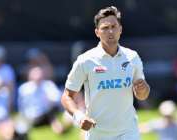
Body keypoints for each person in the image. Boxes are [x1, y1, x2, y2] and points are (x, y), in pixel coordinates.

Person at [61, 6, 150, 140]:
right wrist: (79, 117)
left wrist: (144, 89)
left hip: (129, 132)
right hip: (98, 134)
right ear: (97, 32)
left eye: (114, 26)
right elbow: (67, 96)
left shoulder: (132, 57)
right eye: (105, 28)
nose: (110, 31)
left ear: (120, 29)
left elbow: (142, 95)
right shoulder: (85, 60)